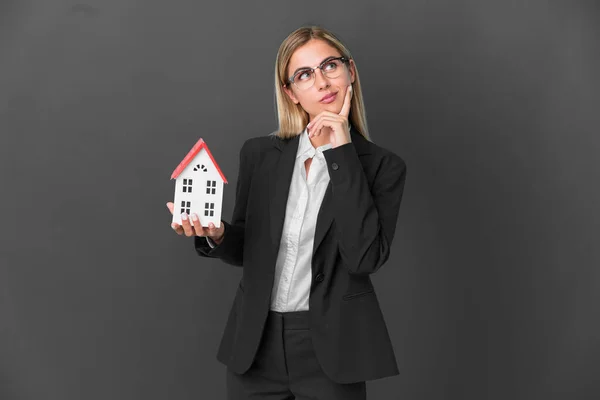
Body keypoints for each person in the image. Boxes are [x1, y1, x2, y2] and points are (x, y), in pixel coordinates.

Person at [167, 25, 407, 400]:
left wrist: (342, 152)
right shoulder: (261, 155)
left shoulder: (383, 168)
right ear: (290, 93)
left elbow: (364, 258)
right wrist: (215, 235)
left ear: (351, 71)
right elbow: (248, 245)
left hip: (332, 347)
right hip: (256, 345)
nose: (323, 81)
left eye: (331, 65)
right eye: (305, 74)